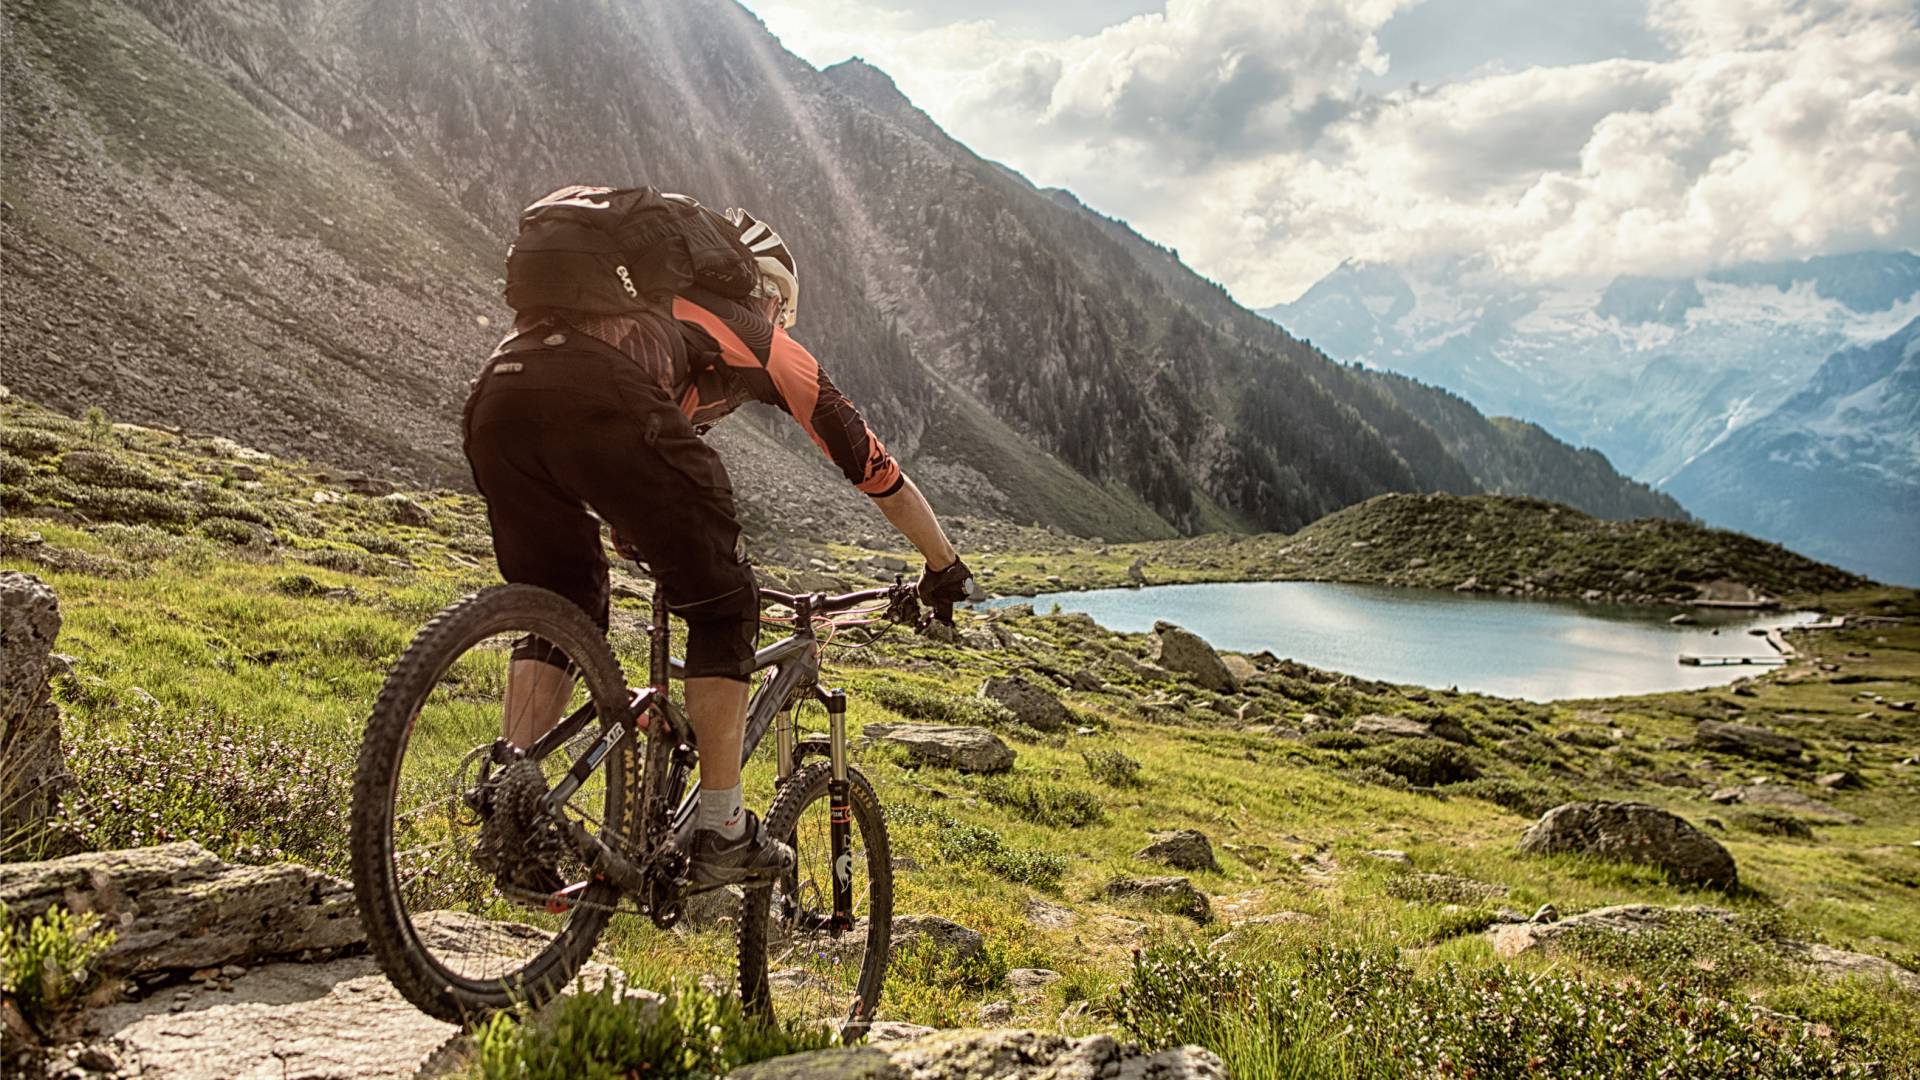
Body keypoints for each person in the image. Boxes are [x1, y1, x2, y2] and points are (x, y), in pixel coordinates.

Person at [461, 200, 974, 896]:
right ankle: (724, 828)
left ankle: (514, 794)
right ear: (764, 291)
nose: (780, 321)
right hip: (600, 395)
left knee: (566, 603)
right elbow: (872, 466)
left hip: (499, 392)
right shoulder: (752, 332)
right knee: (727, 604)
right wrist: (943, 566)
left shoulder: (633, 308)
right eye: (781, 307)